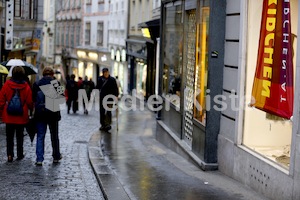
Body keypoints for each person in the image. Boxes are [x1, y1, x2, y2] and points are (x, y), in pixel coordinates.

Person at [0, 66, 33, 162]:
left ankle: (10, 155)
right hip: (21, 116)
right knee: (20, 136)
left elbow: (1, 99)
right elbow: (30, 101)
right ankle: (19, 154)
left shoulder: (7, 84)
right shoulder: (26, 86)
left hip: (9, 115)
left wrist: (1, 110)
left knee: (9, 136)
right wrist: (31, 110)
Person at [32, 67, 62, 166]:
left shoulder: (37, 84)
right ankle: (56, 156)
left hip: (40, 113)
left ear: (43, 74)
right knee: (54, 135)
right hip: (52, 112)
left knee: (40, 136)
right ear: (52, 74)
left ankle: (39, 159)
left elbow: (33, 99)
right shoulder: (56, 83)